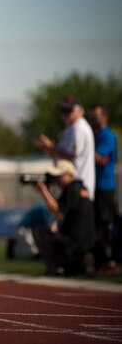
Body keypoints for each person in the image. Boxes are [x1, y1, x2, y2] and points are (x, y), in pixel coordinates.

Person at [30, 160, 96, 276]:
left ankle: (55, 267)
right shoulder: (80, 187)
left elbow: (59, 212)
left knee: (40, 232)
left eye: (60, 175)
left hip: (73, 243)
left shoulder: (71, 188)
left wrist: (44, 191)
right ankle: (82, 263)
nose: (57, 179)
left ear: (70, 175)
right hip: (87, 242)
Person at [35, 96, 95, 200]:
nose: (64, 114)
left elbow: (71, 156)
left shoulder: (79, 128)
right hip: (70, 188)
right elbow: (61, 154)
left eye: (68, 110)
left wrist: (50, 148)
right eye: (63, 111)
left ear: (79, 111)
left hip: (78, 187)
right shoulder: (71, 128)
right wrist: (48, 149)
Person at [87, 103, 119, 273]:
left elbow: (100, 159)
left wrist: (84, 148)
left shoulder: (108, 136)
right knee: (95, 225)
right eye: (91, 117)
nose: (92, 120)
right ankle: (100, 260)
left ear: (105, 117)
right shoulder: (94, 136)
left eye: (96, 116)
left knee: (105, 224)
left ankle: (110, 261)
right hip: (94, 186)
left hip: (105, 186)